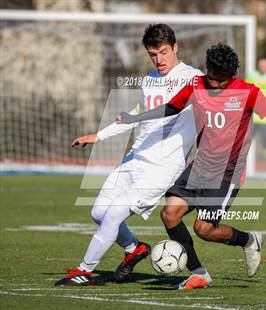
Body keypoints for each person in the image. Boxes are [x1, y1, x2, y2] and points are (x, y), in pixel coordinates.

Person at [119, 43, 266, 289]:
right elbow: (171, 107)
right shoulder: (197, 85)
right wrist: (134, 119)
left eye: (221, 81)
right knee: (169, 214)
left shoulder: (247, 91)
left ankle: (248, 240)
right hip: (199, 167)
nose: (215, 84)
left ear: (232, 75)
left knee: (203, 229)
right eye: (212, 78)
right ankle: (199, 273)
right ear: (208, 70)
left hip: (227, 174)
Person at [55, 24, 203, 286]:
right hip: (135, 158)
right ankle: (134, 249)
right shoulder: (148, 80)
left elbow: (209, 114)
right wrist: (98, 136)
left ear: (175, 47)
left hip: (162, 168)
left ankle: (84, 270)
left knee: (113, 215)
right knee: (99, 213)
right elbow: (135, 117)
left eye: (163, 52)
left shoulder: (194, 78)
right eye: (152, 54)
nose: (159, 60)